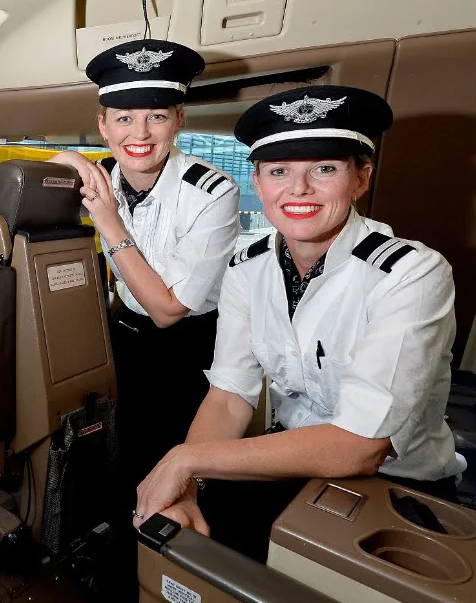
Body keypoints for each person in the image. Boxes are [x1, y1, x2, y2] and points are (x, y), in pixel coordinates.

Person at [134, 85, 464, 562]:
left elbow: (360, 446)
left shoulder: (411, 272)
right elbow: (230, 395)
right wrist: (190, 486)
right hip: (289, 468)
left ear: (361, 179)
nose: (298, 189)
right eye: (279, 171)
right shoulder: (247, 267)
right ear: (259, 181)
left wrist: (187, 459)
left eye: (324, 169)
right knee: (172, 543)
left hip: (397, 484)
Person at [50, 39, 240, 495]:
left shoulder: (213, 193)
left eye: (156, 116)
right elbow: (35, 174)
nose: (140, 134)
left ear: (179, 119)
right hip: (124, 332)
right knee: (112, 451)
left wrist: (109, 221)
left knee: (168, 464)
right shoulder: (99, 172)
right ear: (103, 124)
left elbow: (168, 310)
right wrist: (71, 158)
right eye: (124, 118)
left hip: (187, 348)